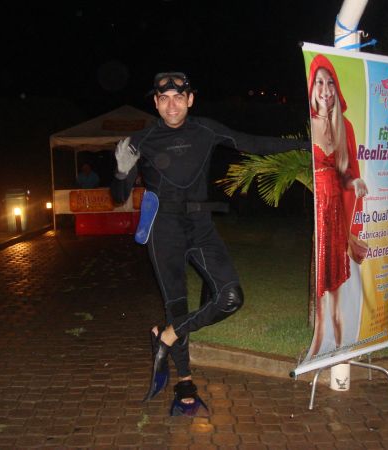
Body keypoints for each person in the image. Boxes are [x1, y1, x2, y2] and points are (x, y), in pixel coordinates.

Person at [110, 72, 309, 416]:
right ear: (156, 103)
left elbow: (254, 143)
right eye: (164, 98)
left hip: (201, 227)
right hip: (164, 231)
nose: (172, 105)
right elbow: (118, 196)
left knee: (231, 297)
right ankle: (184, 381)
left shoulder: (206, 129)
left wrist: (307, 145)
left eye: (179, 97)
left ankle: (166, 336)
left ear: (190, 99)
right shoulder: (140, 141)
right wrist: (120, 172)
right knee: (176, 305)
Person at [306, 54, 368, 357]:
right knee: (322, 278)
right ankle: (321, 339)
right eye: (319, 82)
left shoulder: (343, 127)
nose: (325, 89)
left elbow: (345, 171)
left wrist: (354, 181)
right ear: (312, 87)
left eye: (330, 82)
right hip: (317, 209)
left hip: (334, 212)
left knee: (335, 279)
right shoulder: (308, 125)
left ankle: (341, 341)